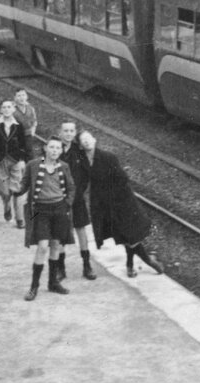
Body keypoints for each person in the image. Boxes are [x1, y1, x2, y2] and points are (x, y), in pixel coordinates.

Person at [80, 131, 162, 277]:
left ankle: (147, 261)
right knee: (124, 236)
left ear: (94, 140)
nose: (87, 142)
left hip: (121, 202)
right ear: (80, 145)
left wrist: (111, 193)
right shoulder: (84, 160)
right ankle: (130, 265)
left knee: (129, 236)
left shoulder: (108, 157)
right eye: (83, 140)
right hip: (104, 205)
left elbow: (123, 178)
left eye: (88, 138)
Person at [21, 136, 74, 301]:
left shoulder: (64, 167)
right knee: (42, 246)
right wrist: (15, 189)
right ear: (45, 148)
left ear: (61, 151)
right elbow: (24, 185)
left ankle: (53, 283)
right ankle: (33, 287)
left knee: (55, 245)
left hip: (59, 208)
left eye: (58, 148)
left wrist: (67, 204)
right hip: (40, 210)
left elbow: (71, 188)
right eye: (51, 147)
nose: (54, 151)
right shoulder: (33, 165)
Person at [57, 118, 97, 280]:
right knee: (59, 232)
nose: (68, 134)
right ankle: (60, 268)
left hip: (77, 197)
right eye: (65, 131)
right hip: (59, 198)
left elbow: (87, 173)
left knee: (81, 229)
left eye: (71, 131)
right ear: (60, 132)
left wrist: (80, 191)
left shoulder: (78, 151)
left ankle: (86, 266)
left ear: (75, 133)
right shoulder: (53, 148)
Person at [0, 100, 30, 228]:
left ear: (13, 109)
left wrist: (23, 159)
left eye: (9, 107)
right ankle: (6, 205)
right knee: (5, 191)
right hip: (0, 160)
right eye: (4, 107)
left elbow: (24, 144)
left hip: (15, 160)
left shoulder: (19, 125)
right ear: (0, 110)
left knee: (17, 189)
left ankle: (20, 219)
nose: (7, 109)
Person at [12, 88, 40, 155]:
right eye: (19, 96)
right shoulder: (12, 109)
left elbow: (34, 120)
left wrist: (33, 130)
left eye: (23, 95)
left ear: (27, 96)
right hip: (16, 136)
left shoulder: (30, 108)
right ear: (15, 98)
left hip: (28, 134)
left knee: (29, 152)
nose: (21, 98)